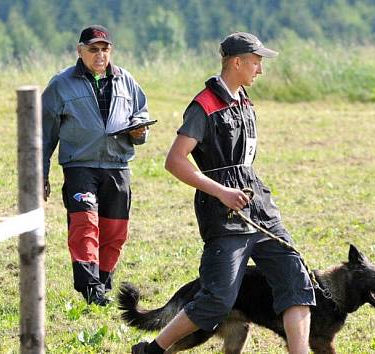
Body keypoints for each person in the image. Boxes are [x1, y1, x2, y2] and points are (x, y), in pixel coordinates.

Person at [132, 32, 315, 354]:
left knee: (296, 281)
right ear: (237, 62)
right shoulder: (204, 105)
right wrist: (222, 192)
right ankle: (153, 350)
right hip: (223, 214)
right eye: (256, 62)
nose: (260, 70)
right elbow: (174, 161)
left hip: (259, 207)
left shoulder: (244, 100)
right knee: (216, 300)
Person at [42, 25, 150, 306]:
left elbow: (141, 114)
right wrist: (40, 174)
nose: (100, 55)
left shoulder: (126, 80)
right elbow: (43, 135)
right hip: (80, 166)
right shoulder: (61, 84)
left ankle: (102, 282)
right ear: (80, 51)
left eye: (105, 49)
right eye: (93, 49)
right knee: (85, 225)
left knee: (116, 229)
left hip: (118, 166)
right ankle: (90, 287)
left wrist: (140, 132)